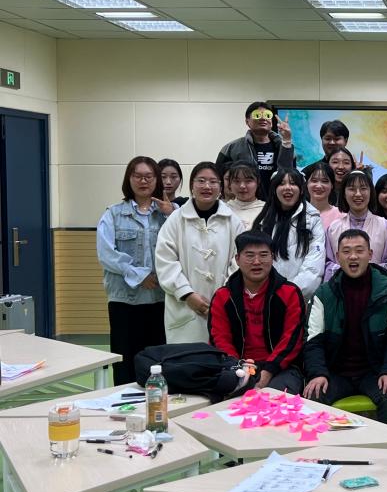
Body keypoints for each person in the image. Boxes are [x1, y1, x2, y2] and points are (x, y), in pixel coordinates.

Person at [303, 229, 387, 422]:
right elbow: (313, 341)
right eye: (346, 251)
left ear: (370, 254)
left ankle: (385, 444)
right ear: (337, 257)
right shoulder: (324, 295)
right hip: (335, 373)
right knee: (313, 395)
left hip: (374, 372)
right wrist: (318, 373)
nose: (353, 256)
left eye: (359, 250)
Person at [97, 156, 173, 383]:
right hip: (125, 300)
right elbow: (106, 254)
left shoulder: (170, 212)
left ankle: (157, 399)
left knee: (158, 360)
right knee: (125, 360)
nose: (143, 181)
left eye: (149, 176)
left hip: (161, 298)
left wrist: (171, 213)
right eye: (137, 176)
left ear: (157, 180)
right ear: (128, 179)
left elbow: (183, 245)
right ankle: (124, 401)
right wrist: (139, 276)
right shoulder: (113, 214)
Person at [155, 161, 245, 343]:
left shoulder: (233, 221)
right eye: (201, 181)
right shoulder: (175, 220)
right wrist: (187, 294)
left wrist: (223, 295)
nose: (207, 186)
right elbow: (165, 260)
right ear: (191, 186)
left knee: (222, 353)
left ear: (221, 187)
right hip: (183, 306)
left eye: (213, 181)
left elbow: (239, 261)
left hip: (225, 304)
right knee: (186, 357)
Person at [207, 231, 306, 394]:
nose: (257, 262)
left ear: (272, 257)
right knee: (219, 397)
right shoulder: (223, 296)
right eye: (250, 255)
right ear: (237, 259)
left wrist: (268, 372)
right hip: (236, 367)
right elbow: (219, 339)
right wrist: (239, 368)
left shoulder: (290, 293)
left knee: (274, 398)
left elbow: (292, 339)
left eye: (263, 255)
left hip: (282, 368)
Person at [252, 167, 325, 302]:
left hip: (297, 300)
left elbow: (314, 267)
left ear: (301, 190)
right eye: (281, 184)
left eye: (293, 183)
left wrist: (288, 295)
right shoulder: (263, 220)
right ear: (274, 190)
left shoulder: (312, 219)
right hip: (263, 299)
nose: (287, 188)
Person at [215, 101, 294, 199]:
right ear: (247, 121)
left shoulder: (285, 146)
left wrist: (286, 140)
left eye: (267, 115)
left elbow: (291, 175)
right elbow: (218, 178)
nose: (263, 118)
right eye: (257, 115)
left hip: (277, 204)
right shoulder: (231, 148)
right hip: (243, 203)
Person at [326, 170, 387, 277]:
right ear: (344, 193)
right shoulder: (333, 228)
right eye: (352, 189)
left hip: (376, 285)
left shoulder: (385, 227)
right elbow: (328, 264)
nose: (358, 194)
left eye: (363, 188)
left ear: (371, 192)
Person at [305, 161, 342, 237]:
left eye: (324, 181)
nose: (319, 186)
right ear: (307, 183)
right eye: (314, 181)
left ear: (332, 185)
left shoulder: (342, 216)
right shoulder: (297, 214)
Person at [224, 162, 265, 231]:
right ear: (230, 184)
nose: (242, 186)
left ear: (258, 182)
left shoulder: (266, 210)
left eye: (248, 181)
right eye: (237, 181)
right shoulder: (223, 209)